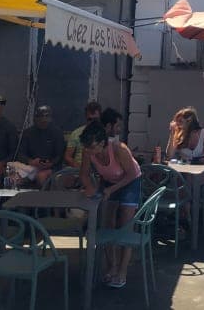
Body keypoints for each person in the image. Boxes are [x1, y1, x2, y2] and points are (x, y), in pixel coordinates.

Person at [78, 121, 142, 289]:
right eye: (86, 147)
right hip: (109, 181)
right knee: (107, 223)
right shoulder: (88, 151)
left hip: (130, 181)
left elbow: (132, 174)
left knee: (125, 226)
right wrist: (90, 188)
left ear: (102, 143)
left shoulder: (119, 149)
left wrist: (112, 189)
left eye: (92, 147)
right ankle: (111, 265)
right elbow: (84, 174)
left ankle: (122, 270)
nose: (88, 151)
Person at [18, 105, 65, 187]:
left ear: (51, 118)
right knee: (15, 178)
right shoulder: (27, 133)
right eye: (40, 116)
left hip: (52, 167)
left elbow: (59, 155)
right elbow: (20, 154)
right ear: (35, 118)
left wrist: (50, 163)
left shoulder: (57, 133)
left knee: (41, 177)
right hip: (30, 166)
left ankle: (44, 195)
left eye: (46, 116)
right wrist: (30, 161)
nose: (43, 119)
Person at [64, 101, 102, 169]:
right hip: (78, 168)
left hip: (99, 169)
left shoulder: (105, 134)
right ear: (86, 118)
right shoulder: (76, 133)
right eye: (90, 119)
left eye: (95, 119)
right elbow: (67, 157)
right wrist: (79, 167)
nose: (93, 122)